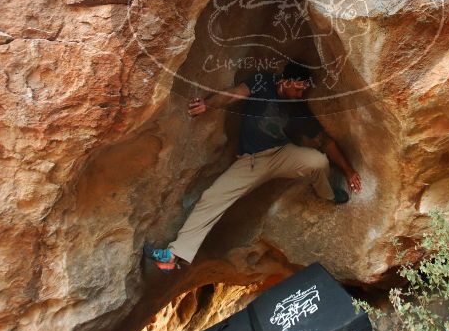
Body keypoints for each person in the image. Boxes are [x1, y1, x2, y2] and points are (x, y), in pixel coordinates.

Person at [144, 61, 362, 272]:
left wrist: (349, 171)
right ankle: (174, 255)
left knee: (318, 161)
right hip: (251, 161)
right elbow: (234, 93)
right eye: (298, 88)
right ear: (286, 81)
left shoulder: (298, 107)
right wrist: (208, 104)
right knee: (212, 197)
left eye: (304, 89)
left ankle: (327, 194)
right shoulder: (262, 82)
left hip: (281, 154)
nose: (301, 93)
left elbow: (325, 141)